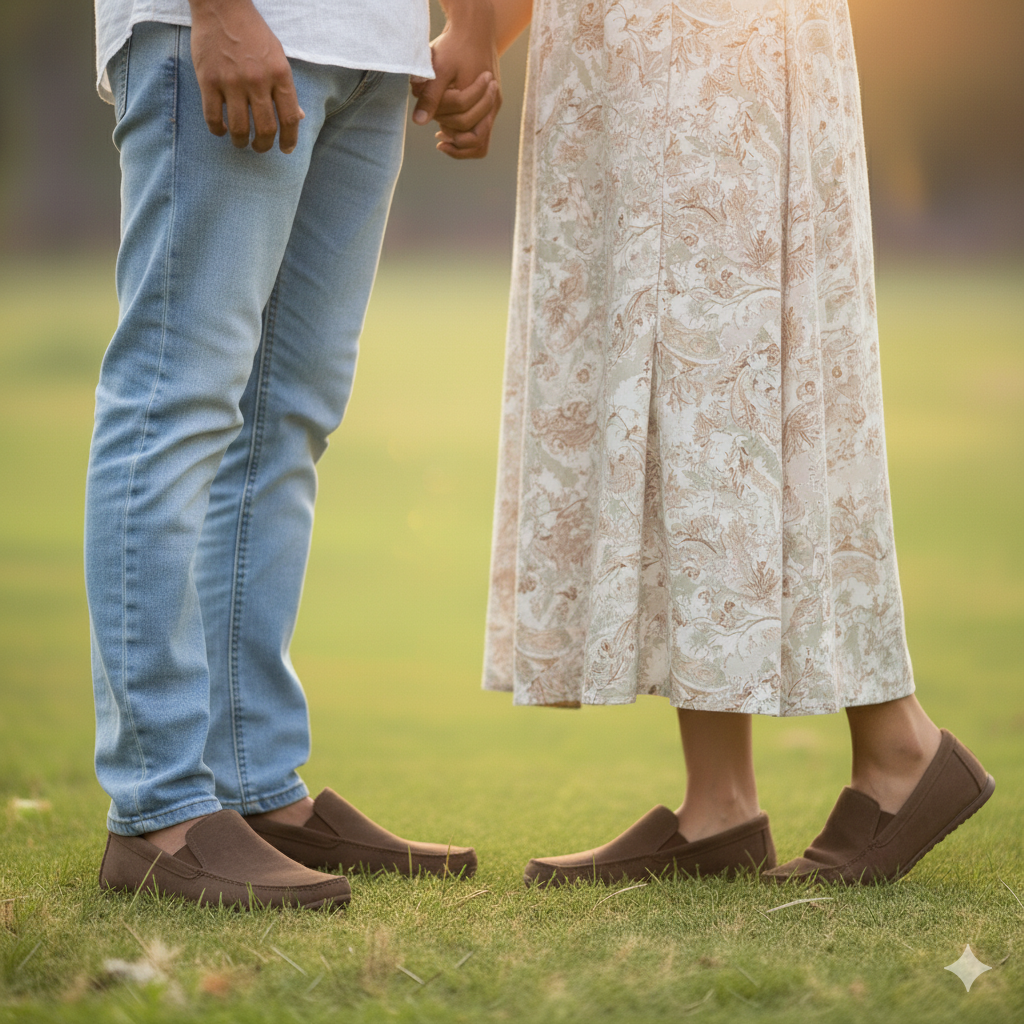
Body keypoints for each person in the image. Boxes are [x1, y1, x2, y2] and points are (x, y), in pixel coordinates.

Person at [442, 0, 994, 885]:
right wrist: (479, 35)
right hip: (639, 45)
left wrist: (474, 34)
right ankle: (719, 804)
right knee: (682, 388)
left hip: (703, 40)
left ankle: (898, 743)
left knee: (729, 370)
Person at [87, 0, 500, 910]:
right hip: (234, 28)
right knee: (176, 397)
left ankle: (253, 784)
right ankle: (159, 809)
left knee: (288, 420)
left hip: (373, 52)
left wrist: (477, 25)